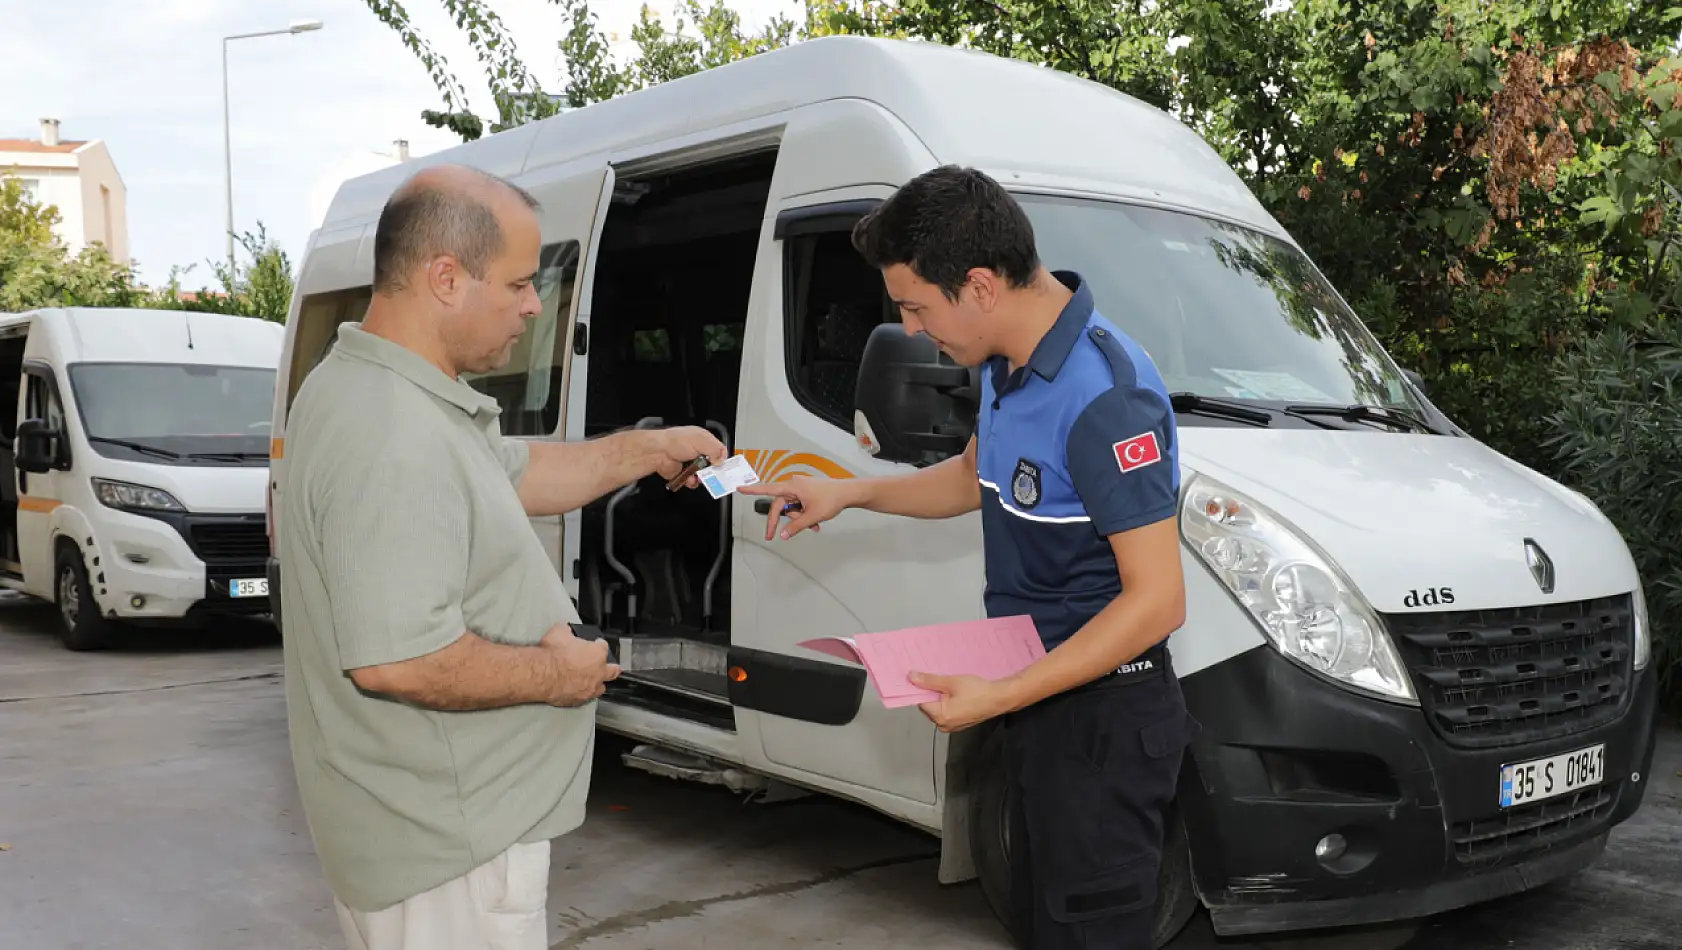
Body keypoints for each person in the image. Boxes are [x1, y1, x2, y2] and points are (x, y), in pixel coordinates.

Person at [738, 165, 1195, 950]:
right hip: (1034, 703)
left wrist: (1005, 693)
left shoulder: (1105, 394)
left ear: (980, 286)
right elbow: (970, 476)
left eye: (916, 306)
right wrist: (848, 493)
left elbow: (1158, 601)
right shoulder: (1000, 366)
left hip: (1102, 723)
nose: (912, 329)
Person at [275, 163, 724, 950]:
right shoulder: (392, 433)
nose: (533, 306)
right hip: (446, 853)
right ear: (445, 277)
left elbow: (518, 474)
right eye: (520, 283)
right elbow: (398, 662)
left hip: (439, 832)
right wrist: (563, 675)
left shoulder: (392, 392)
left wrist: (645, 447)